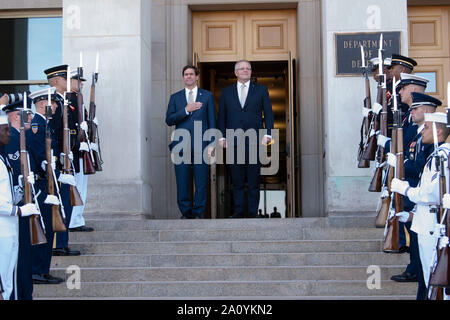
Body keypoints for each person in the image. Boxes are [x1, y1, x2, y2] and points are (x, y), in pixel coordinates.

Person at [390, 102, 449, 300]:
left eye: (426, 128)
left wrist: (404, 189)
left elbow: (430, 195)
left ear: (439, 133)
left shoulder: (441, 157)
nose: (421, 131)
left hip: (432, 228)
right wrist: (412, 215)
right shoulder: (436, 155)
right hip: (425, 223)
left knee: (435, 283)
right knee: (429, 281)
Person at [385, 90, 436, 283]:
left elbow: (420, 166)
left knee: (421, 251)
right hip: (415, 196)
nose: (411, 113)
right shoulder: (419, 137)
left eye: (415, 109)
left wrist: (400, 165)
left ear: (425, 110)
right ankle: (414, 268)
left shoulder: (431, 142)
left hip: (420, 196)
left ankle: (414, 270)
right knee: (415, 241)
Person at [218, 60, 274, 218]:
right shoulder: (226, 92)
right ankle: (238, 211)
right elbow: (222, 116)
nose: (245, 71)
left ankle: (252, 212)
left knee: (253, 179)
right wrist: (221, 137)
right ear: (235, 72)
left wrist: (269, 134)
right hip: (233, 141)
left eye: (248, 69)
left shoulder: (261, 90)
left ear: (251, 72)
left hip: (255, 140)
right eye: (241, 69)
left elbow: (268, 113)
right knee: (237, 180)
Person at [27, 88, 72, 284]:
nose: (55, 106)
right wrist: (47, 169)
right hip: (42, 185)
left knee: (49, 228)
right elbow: (37, 157)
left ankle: (43, 269)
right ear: (40, 104)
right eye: (51, 103)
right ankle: (38, 270)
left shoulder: (46, 125)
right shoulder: (36, 125)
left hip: (50, 182)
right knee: (43, 227)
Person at [165, 65, 216, 219]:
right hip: (181, 146)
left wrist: (212, 144)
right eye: (186, 74)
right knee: (182, 182)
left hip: (202, 146)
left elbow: (212, 121)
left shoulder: (207, 96)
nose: (188, 77)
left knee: (201, 182)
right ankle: (186, 213)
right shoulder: (175, 97)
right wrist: (186, 110)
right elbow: (169, 120)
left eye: (191, 74)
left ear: (197, 76)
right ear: (183, 77)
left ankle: (198, 212)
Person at [0, 110, 40, 299]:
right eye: (5, 130)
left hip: (10, 226)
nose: (9, 134)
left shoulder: (2, 159)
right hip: (3, 227)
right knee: (4, 280)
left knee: (9, 281)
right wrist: (18, 209)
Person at [67, 70, 94, 233]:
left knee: (82, 185)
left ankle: (77, 218)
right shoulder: (68, 100)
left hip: (82, 148)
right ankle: (73, 220)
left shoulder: (78, 100)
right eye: (77, 80)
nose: (81, 83)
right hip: (74, 150)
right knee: (76, 185)